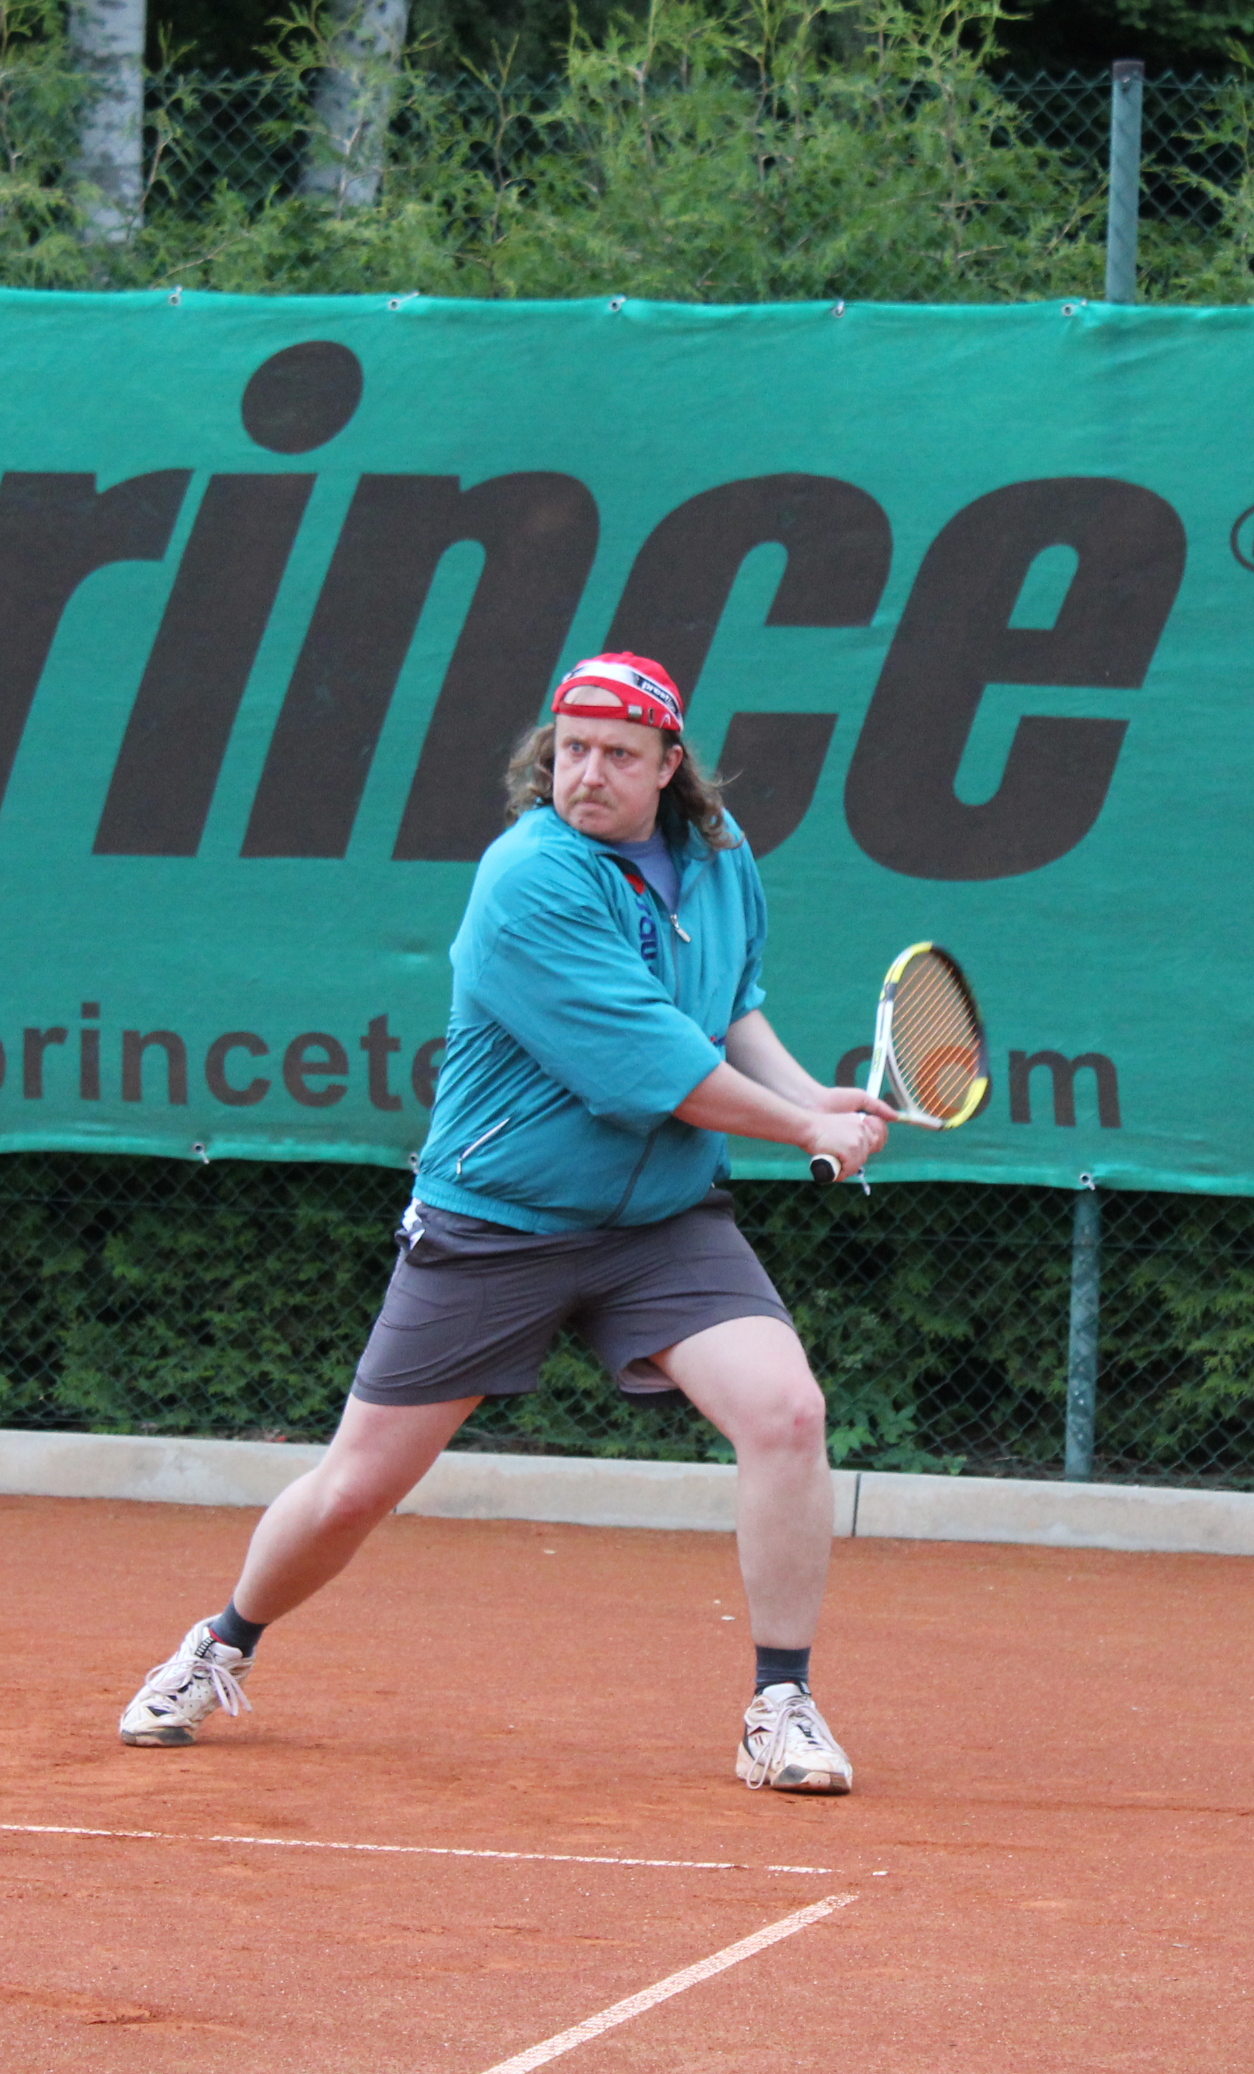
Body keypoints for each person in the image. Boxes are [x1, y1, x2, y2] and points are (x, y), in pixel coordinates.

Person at [115, 651, 892, 1793]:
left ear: (669, 766)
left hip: (661, 1222)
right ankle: (221, 1643)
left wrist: (807, 1092)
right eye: (571, 750)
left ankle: (782, 1704)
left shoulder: (720, 857)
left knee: (787, 1413)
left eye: (618, 754)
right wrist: (803, 1128)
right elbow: (659, 1068)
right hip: (497, 1222)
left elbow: (731, 1012)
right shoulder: (528, 879)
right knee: (355, 1489)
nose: (588, 774)